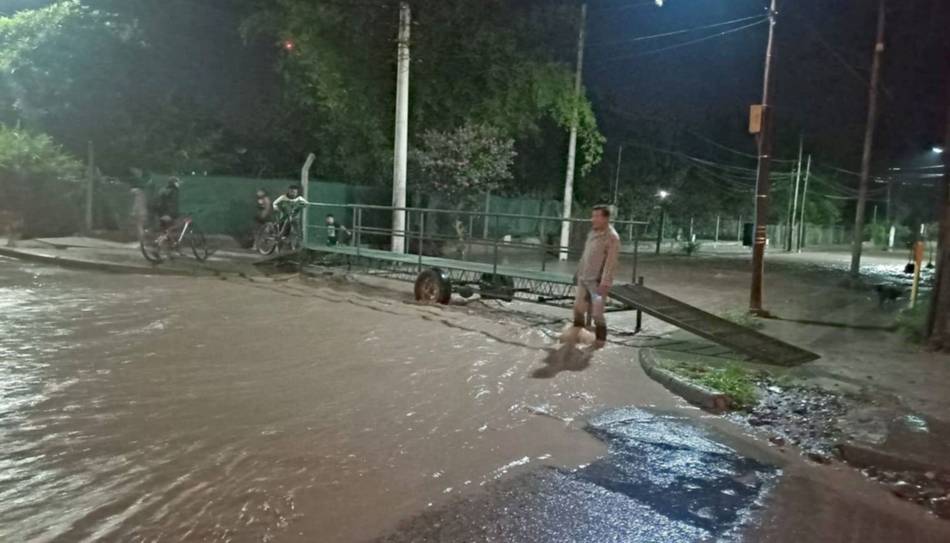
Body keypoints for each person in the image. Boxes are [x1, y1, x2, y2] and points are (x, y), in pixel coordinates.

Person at [573, 204, 621, 347]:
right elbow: (585, 255)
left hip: (597, 283)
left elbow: (611, 263)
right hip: (584, 279)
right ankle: (577, 336)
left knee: (597, 313)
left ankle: (600, 342)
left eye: (596, 216)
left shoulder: (612, 237)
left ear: (606, 218)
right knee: (578, 308)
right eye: (592, 216)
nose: (592, 219)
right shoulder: (592, 233)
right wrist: (577, 272)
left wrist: (604, 283)